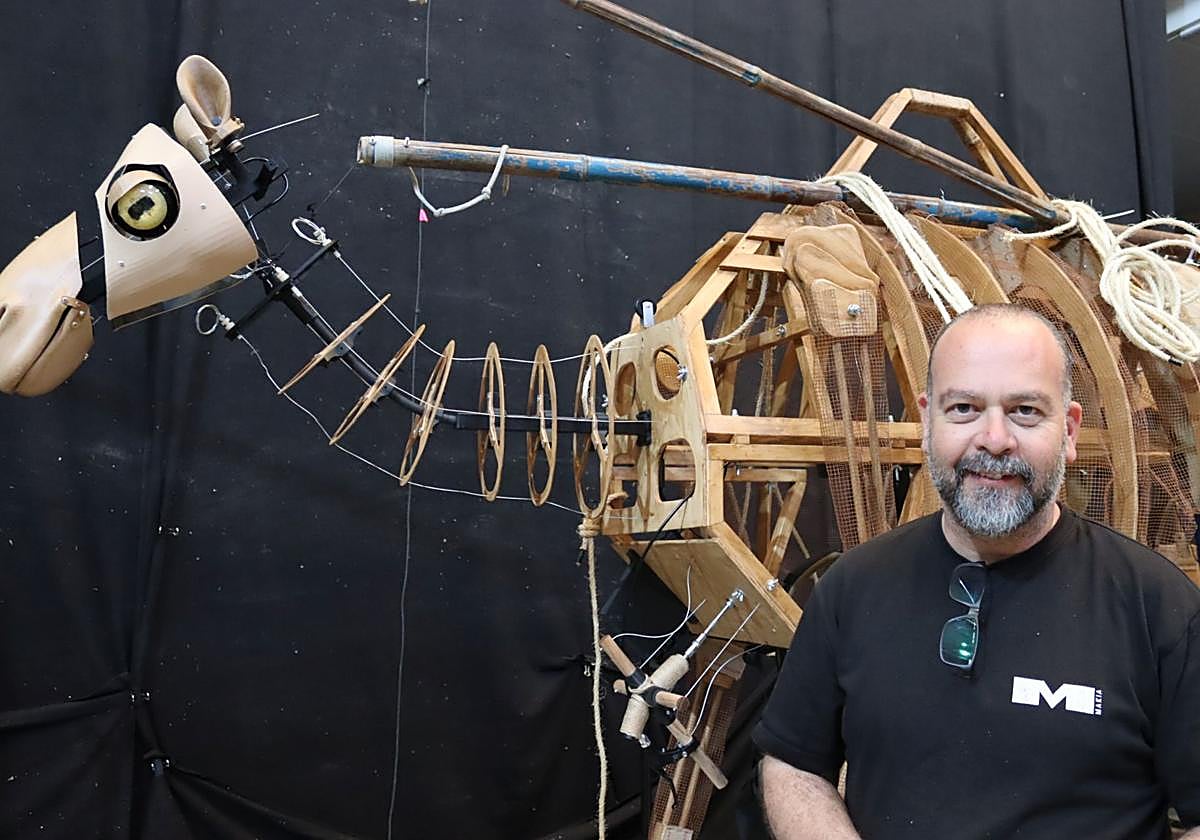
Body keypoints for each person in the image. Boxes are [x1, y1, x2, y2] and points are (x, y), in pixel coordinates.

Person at [753, 303, 1200, 839]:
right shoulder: (853, 588)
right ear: (926, 423)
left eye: (1026, 411)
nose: (994, 439)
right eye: (964, 408)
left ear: (1071, 430)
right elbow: (794, 764)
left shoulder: (1159, 609)